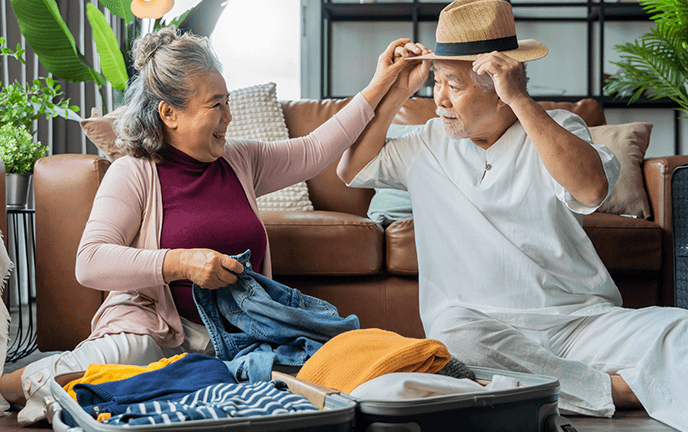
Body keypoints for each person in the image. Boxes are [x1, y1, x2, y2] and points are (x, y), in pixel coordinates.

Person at [336, 0, 688, 431]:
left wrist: (521, 99)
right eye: (436, 82)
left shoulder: (559, 128)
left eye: (454, 84)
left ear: (499, 84)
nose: (439, 100)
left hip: (579, 321)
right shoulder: (425, 142)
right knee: (453, 339)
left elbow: (591, 189)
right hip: (483, 329)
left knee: (677, 328)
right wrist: (390, 89)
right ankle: (613, 391)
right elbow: (350, 169)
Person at [0, 26, 415, 425]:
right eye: (216, 105)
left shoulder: (239, 160)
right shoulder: (133, 172)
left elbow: (315, 149)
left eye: (228, 102)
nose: (229, 117)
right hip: (158, 333)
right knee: (92, 376)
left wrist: (382, 83)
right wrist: (179, 263)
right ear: (169, 114)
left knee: (326, 369)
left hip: (243, 334)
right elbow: (89, 262)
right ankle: (11, 386)